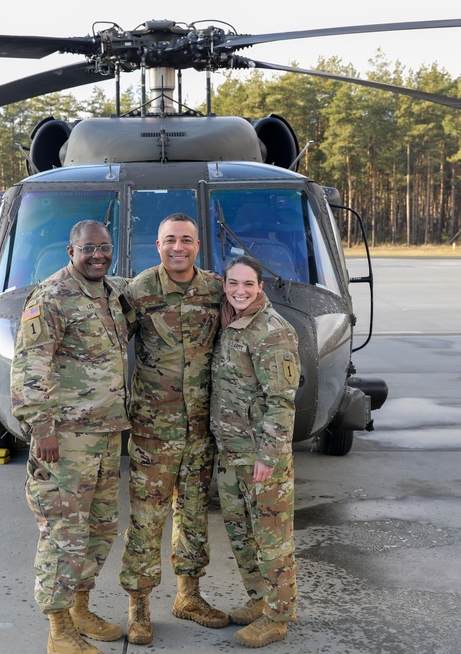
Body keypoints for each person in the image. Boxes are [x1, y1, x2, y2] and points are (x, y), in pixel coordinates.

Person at [11, 220, 132, 654]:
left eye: (104, 248)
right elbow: (29, 367)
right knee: (64, 533)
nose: (97, 256)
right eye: (88, 249)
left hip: (105, 433)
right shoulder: (51, 298)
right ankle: (59, 629)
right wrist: (41, 428)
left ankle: (81, 608)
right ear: (71, 251)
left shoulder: (111, 293)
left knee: (99, 530)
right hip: (65, 439)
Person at [119, 213, 229, 644]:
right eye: (169, 240)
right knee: (147, 519)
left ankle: (188, 596)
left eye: (186, 240)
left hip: (200, 427)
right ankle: (139, 606)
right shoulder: (140, 290)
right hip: (153, 430)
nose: (178, 247)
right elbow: (109, 342)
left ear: (197, 246)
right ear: (158, 245)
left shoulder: (216, 290)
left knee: (195, 516)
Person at [211, 255, 300, 648]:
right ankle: (260, 600)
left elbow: (281, 401)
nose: (240, 291)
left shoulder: (273, 332)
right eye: (233, 283)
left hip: (261, 458)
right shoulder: (232, 322)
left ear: (260, 286)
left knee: (272, 540)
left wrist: (269, 456)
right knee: (242, 535)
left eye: (248, 284)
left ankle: (278, 617)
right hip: (232, 453)